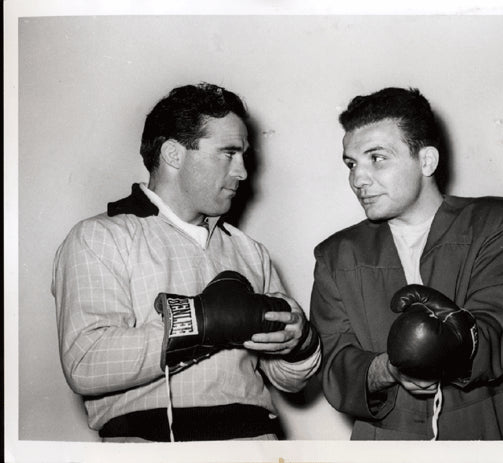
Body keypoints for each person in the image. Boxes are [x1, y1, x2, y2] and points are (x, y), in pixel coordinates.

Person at [51, 83, 321, 442]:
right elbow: (86, 362)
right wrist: (201, 324)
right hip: (149, 442)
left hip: (255, 441)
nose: (241, 171)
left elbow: (287, 380)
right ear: (174, 155)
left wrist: (298, 342)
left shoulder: (248, 251)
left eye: (243, 156)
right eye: (228, 153)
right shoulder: (101, 237)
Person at [310, 87, 503, 440]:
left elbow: (502, 330)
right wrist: (388, 368)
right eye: (351, 163)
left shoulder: (498, 224)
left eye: (377, 158)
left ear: (426, 162)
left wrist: (453, 343)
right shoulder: (336, 255)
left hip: (484, 433)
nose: (358, 179)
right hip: (387, 441)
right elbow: (333, 365)